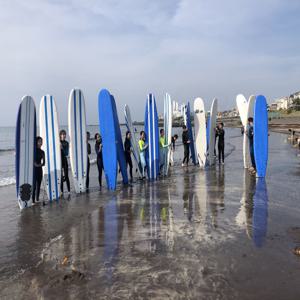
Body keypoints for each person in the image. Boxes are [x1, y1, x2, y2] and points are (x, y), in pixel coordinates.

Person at [32, 136, 45, 204]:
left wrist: (38, 164)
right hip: (34, 171)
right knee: (34, 186)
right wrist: (39, 164)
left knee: (38, 186)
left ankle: (37, 199)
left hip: (40, 170)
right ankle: (33, 201)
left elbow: (44, 163)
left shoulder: (42, 152)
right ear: (36, 142)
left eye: (41, 141)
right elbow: (34, 163)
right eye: (39, 141)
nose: (40, 143)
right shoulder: (33, 151)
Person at [60, 130, 70, 194]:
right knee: (60, 176)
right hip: (59, 161)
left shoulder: (66, 143)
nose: (63, 136)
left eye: (64, 134)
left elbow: (66, 153)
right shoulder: (57, 142)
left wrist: (61, 148)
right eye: (62, 134)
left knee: (66, 176)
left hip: (64, 160)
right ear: (60, 135)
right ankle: (62, 191)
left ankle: (69, 191)